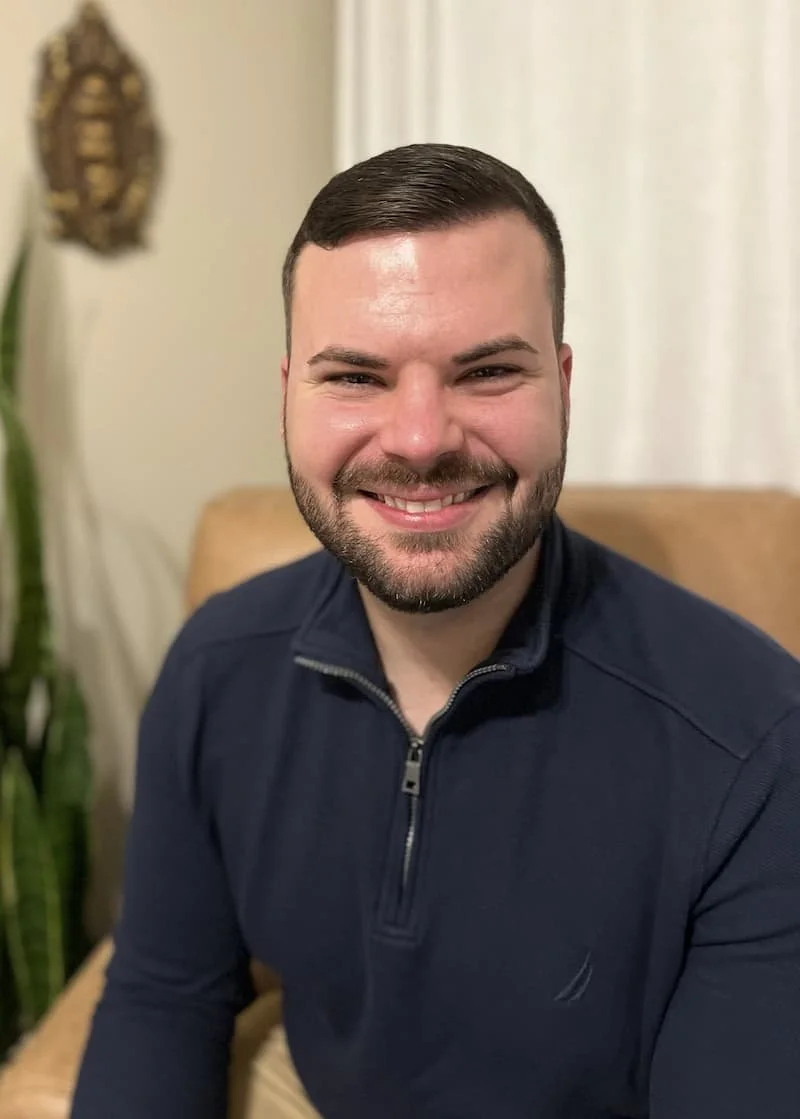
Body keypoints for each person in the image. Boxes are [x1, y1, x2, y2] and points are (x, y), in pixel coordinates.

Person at [71, 142, 800, 1119]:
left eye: (487, 371)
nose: (418, 440)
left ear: (562, 383)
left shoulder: (755, 742)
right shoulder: (212, 672)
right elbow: (165, 999)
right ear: (288, 391)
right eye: (356, 378)